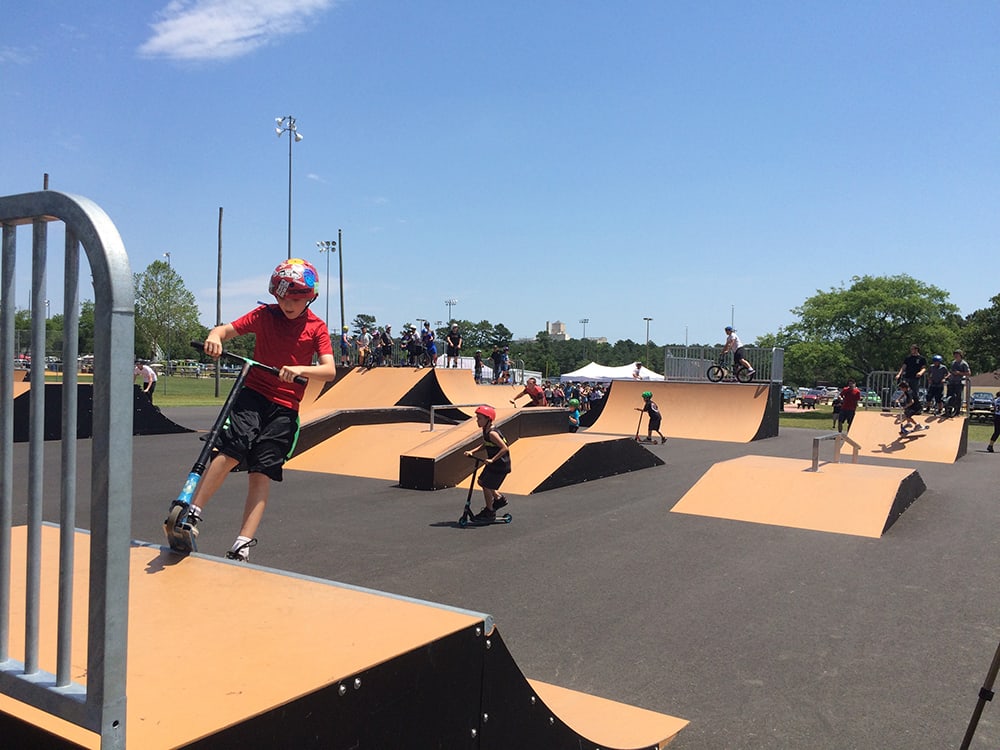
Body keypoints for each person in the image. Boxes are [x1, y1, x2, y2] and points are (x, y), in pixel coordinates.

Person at [184, 258, 336, 562]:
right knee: (231, 450)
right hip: (252, 395)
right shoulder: (264, 316)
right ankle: (191, 513)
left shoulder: (317, 328)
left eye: (295, 299)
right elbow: (224, 331)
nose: (287, 304)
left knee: (261, 472)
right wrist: (214, 338)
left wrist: (298, 369)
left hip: (285, 408)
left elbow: (329, 370)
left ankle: (242, 543)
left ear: (310, 297)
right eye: (281, 297)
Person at [462, 405, 511, 521]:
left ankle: (490, 512)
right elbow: (486, 444)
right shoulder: (486, 430)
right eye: (477, 418)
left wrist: (492, 459)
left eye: (479, 418)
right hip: (493, 464)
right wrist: (472, 451)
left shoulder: (492, 433)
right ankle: (499, 499)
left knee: (486, 485)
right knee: (481, 481)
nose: (477, 421)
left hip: (500, 464)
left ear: (488, 419)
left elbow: (505, 448)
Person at [945, 349, 970, 418]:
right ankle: (948, 411)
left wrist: (959, 373)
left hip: (959, 382)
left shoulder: (964, 363)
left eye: (957, 354)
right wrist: (947, 377)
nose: (955, 356)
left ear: (960, 355)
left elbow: (968, 373)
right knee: (949, 396)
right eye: (954, 355)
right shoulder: (953, 363)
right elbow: (951, 372)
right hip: (952, 381)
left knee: (958, 397)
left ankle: (957, 412)